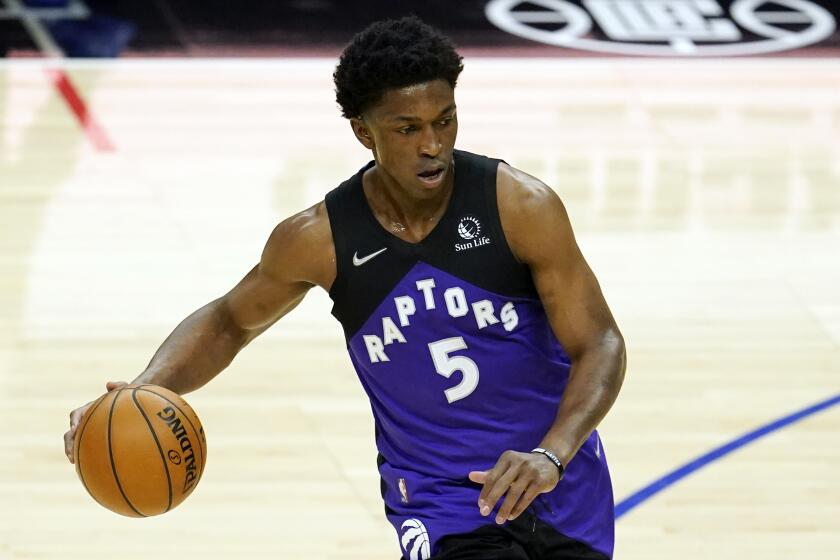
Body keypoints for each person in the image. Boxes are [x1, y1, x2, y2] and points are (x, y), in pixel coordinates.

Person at [63, 16, 626, 560]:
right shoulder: (319, 239)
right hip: (441, 502)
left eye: (445, 120)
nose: (433, 144)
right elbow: (230, 322)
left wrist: (551, 452)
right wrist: (140, 390)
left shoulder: (519, 206)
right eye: (408, 129)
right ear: (364, 131)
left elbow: (599, 342)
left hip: (559, 478)